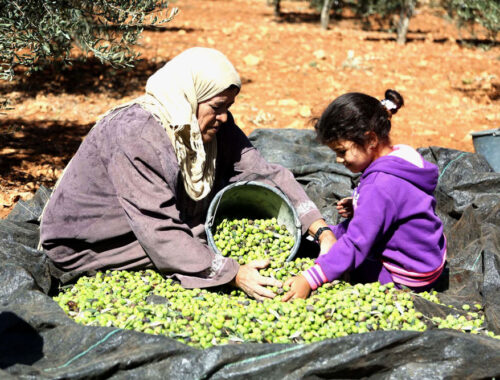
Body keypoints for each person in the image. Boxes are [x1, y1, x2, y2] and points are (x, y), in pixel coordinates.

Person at [39, 47, 335, 300]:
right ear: (189, 97)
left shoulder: (213, 124)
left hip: (151, 222)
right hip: (92, 241)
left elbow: (263, 173)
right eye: (217, 107)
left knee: (221, 229)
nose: (223, 118)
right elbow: (158, 230)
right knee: (198, 242)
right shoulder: (136, 134)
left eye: (228, 107)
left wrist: (320, 230)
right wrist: (233, 273)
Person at [283, 89, 447, 300]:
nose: (338, 160)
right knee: (333, 237)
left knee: (348, 270)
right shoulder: (402, 156)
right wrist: (361, 205)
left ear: (370, 140)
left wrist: (310, 278)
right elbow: (399, 202)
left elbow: (357, 244)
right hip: (428, 255)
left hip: (409, 274)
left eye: (341, 152)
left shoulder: (380, 186)